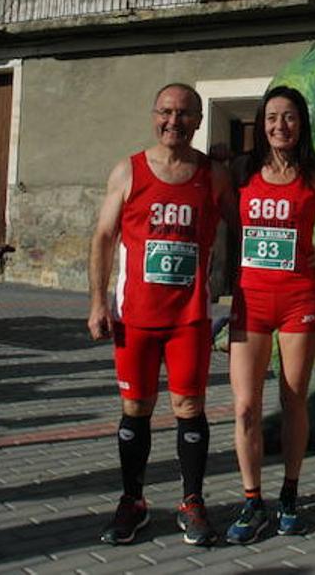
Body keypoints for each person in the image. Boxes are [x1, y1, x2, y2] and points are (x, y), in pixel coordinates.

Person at [87, 83, 233, 547]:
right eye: (166, 112)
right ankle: (133, 502)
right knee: (136, 408)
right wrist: (96, 303)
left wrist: (230, 285)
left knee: (189, 408)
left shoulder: (213, 175)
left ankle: (193, 503)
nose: (174, 121)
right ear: (154, 115)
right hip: (135, 316)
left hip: (189, 317)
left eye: (185, 113)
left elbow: (244, 227)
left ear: (198, 120)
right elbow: (104, 238)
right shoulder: (127, 171)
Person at [225, 86, 315, 543]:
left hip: (300, 302)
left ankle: (290, 493)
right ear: (261, 123)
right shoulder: (241, 170)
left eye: (289, 118)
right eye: (272, 118)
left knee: (294, 399)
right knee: (245, 406)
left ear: (302, 123)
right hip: (250, 303)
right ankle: (252, 500)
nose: (280, 126)